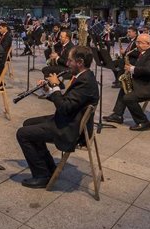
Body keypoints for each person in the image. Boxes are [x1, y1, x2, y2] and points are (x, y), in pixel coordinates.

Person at [15, 46, 99, 188]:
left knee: (22, 134)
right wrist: (48, 89)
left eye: (70, 61)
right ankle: (48, 167)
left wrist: (55, 86)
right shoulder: (84, 76)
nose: (67, 64)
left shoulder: (85, 82)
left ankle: (41, 176)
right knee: (28, 123)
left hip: (70, 128)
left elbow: (64, 108)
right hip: (70, 120)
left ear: (79, 62)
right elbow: (66, 102)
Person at [103, 33, 150, 131]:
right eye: (137, 42)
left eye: (140, 43)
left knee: (129, 98)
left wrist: (132, 69)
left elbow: (149, 70)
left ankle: (143, 122)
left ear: (148, 44)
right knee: (124, 88)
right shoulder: (145, 52)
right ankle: (118, 115)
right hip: (145, 82)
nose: (137, 45)